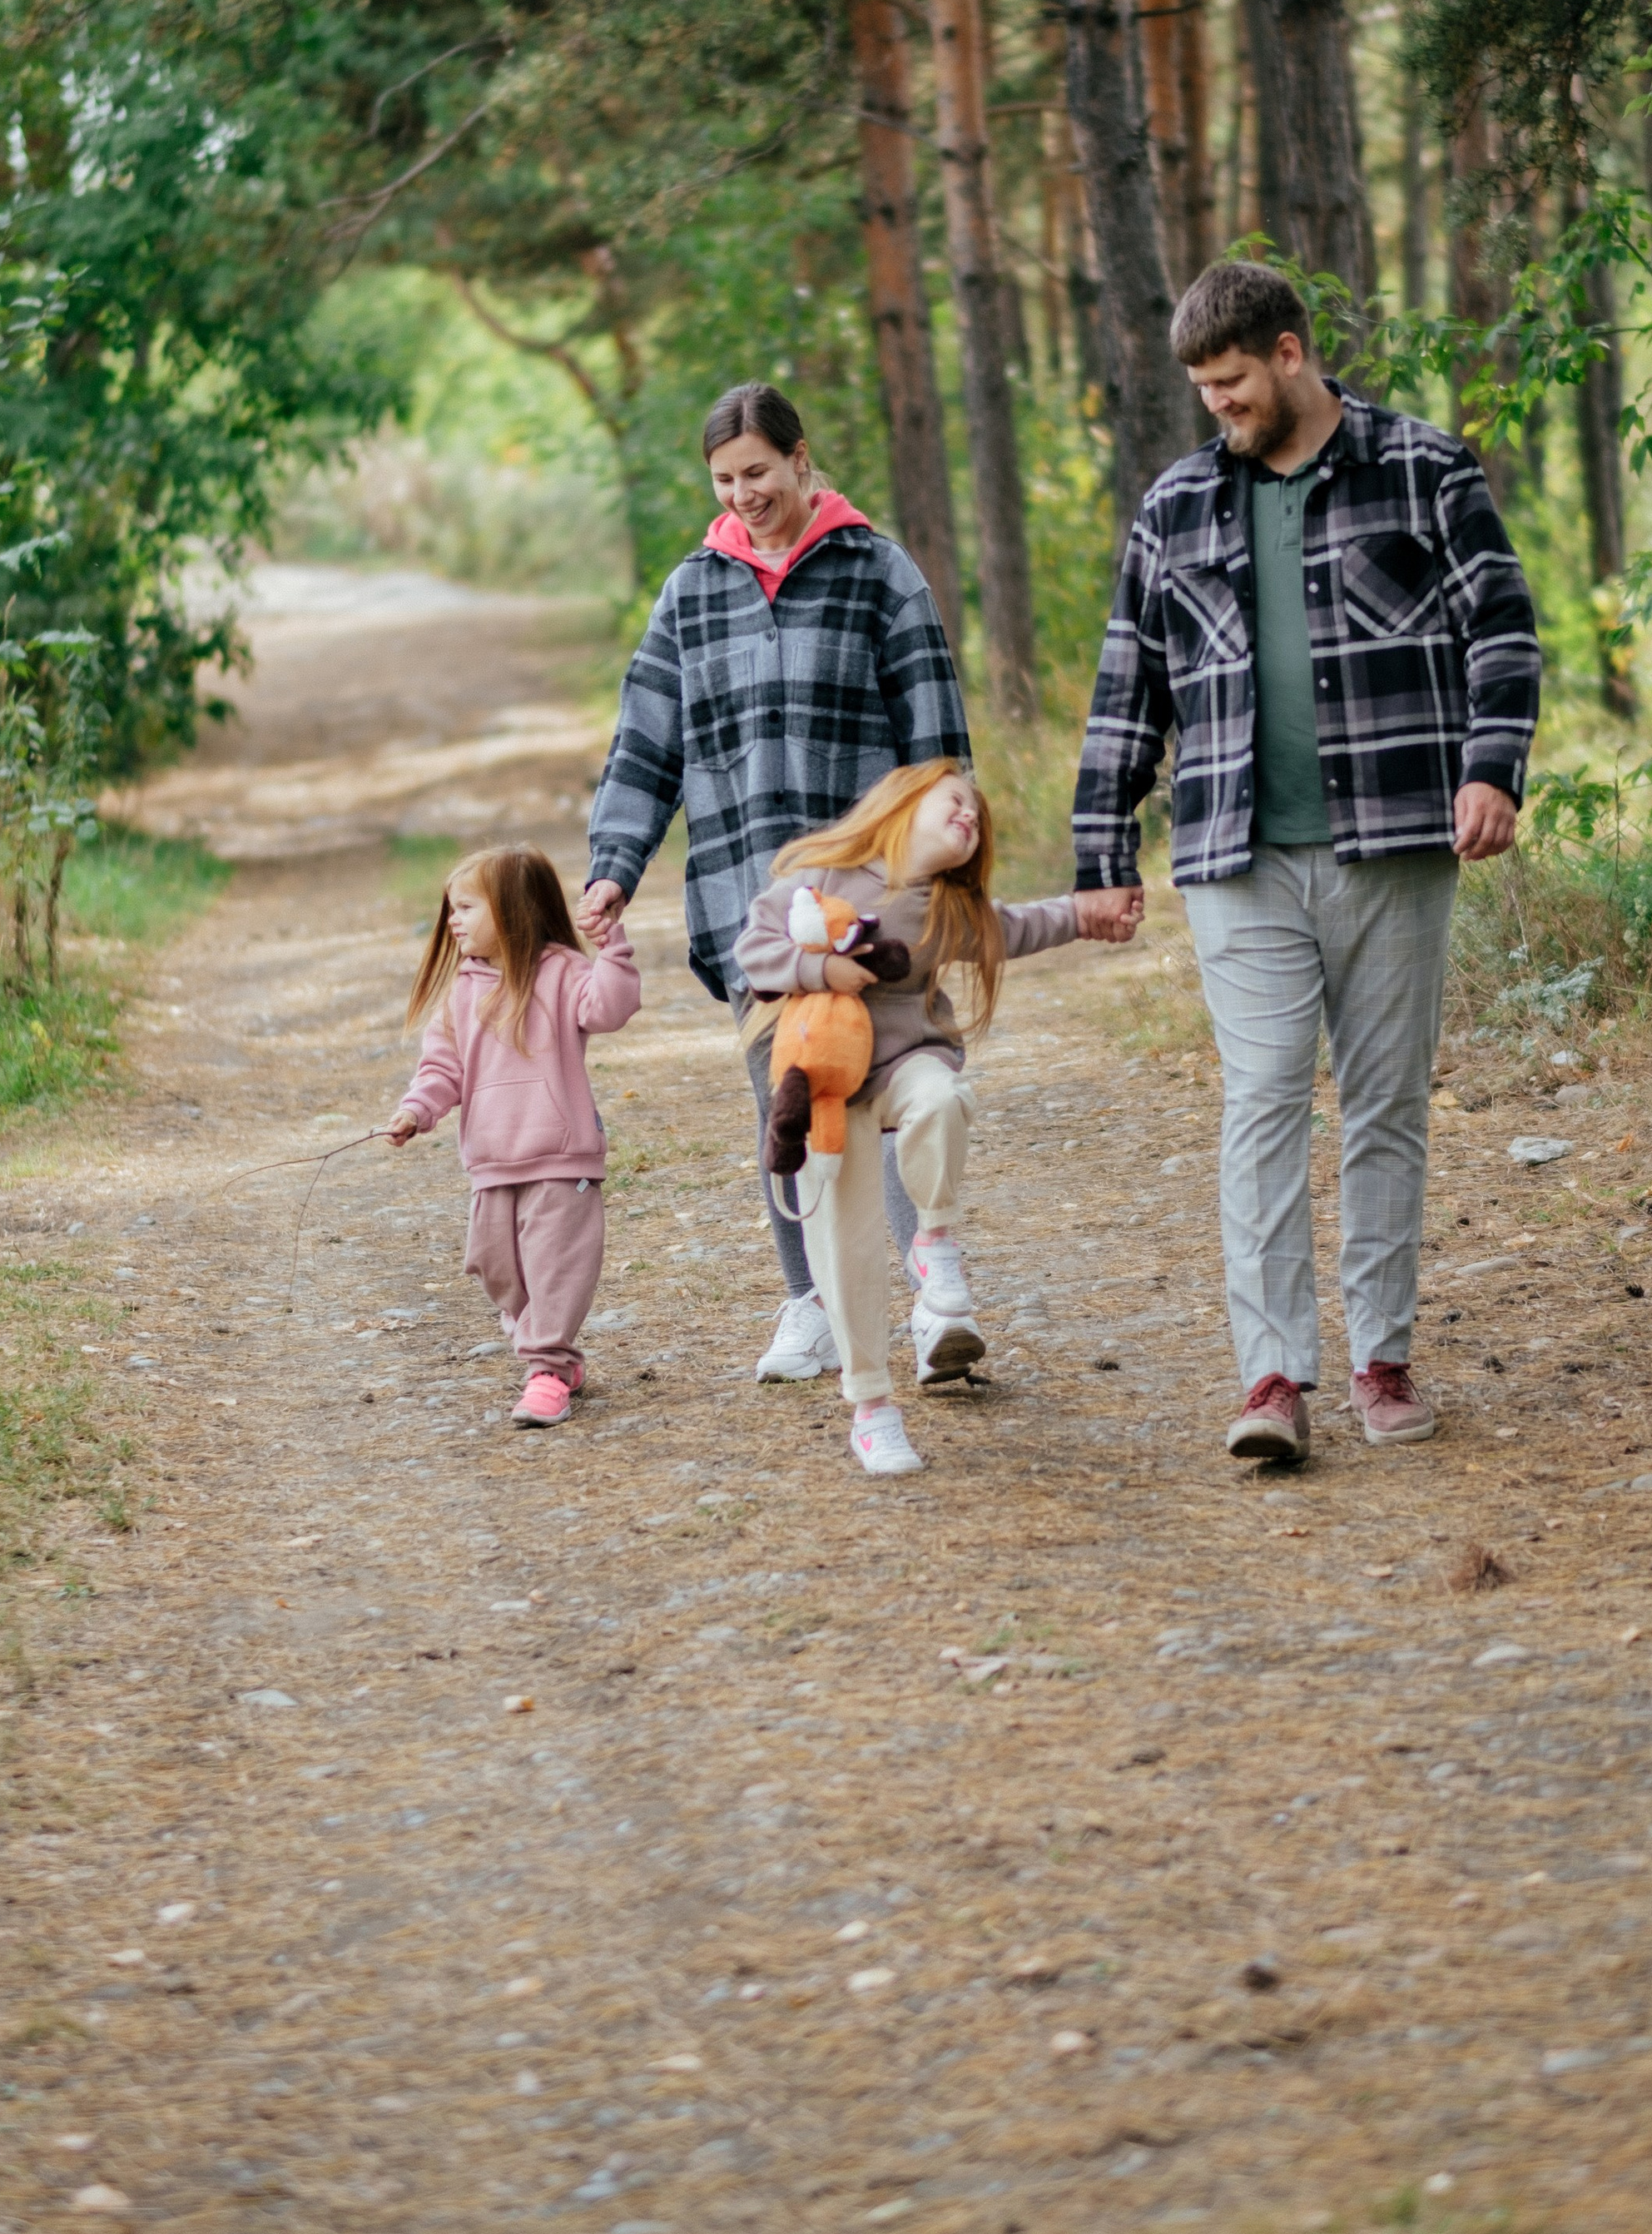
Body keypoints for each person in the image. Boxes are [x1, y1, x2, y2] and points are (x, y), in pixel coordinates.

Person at [1071, 259, 1540, 1466]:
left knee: (1385, 1107)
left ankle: (1384, 1360)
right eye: (1201, 389)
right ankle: (1272, 1375)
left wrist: (1492, 766)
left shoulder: (1425, 468)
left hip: (1394, 845)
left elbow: (1502, 623)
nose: (1217, 406)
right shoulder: (1174, 506)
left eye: (1231, 382)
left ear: (1290, 354)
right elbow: (1131, 681)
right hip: (1236, 855)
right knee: (1265, 1099)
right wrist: (1100, 845)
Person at [579, 383, 972, 1384]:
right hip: (751, 909)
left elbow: (937, 750)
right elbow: (644, 745)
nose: (744, 493)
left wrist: (952, 873)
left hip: (873, 902)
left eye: (759, 471)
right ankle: (810, 1304)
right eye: (724, 479)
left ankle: (933, 1301)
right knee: (787, 1109)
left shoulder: (880, 575)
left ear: (803, 461)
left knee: (891, 1090)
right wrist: (613, 867)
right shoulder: (691, 592)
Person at [735, 761, 1137, 1475]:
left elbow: (1018, 925)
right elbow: (756, 952)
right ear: (904, 803)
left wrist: (1086, 913)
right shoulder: (823, 872)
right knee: (846, 1252)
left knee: (943, 1099)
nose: (969, 819)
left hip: (906, 1062)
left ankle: (935, 1241)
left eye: (978, 819)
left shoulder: (946, 907)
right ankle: (872, 1410)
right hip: (831, 1087)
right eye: (956, 803)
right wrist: (822, 972)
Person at [389, 846, 641, 1427]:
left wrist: (612, 949)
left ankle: (546, 1370)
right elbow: (441, 1070)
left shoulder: (563, 973)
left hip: (560, 1158)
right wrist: (416, 1111)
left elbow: (610, 1008)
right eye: (451, 910)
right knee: (497, 1269)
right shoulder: (461, 992)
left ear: (514, 910)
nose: (454, 922)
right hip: (492, 1163)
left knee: (555, 1268)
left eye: (466, 908)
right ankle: (551, 1354)